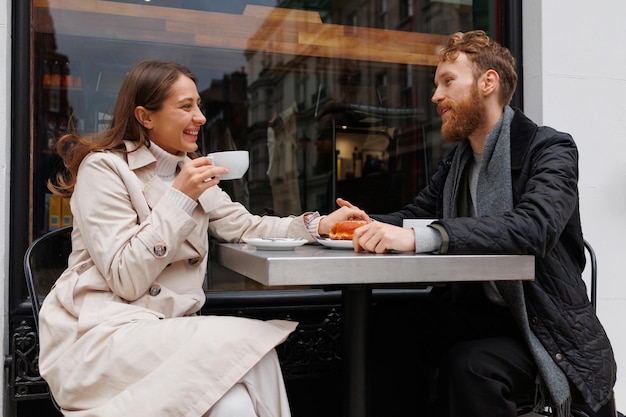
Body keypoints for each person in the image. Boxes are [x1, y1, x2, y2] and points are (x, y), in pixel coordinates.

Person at [38, 60, 361, 417]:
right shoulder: (104, 168)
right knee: (255, 349)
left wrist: (320, 225)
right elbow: (126, 278)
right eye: (186, 106)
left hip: (167, 333)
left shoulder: (186, 171)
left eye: (199, 106)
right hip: (103, 337)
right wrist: (179, 198)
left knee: (235, 404)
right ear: (146, 117)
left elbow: (247, 226)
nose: (201, 118)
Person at [321, 30, 617, 416]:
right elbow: (417, 216)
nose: (435, 96)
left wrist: (424, 236)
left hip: (546, 329)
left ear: (487, 82)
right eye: (435, 85)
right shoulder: (460, 161)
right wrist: (358, 223)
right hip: (480, 314)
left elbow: (533, 228)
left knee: (472, 365)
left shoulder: (550, 149)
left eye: (447, 82)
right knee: (388, 327)